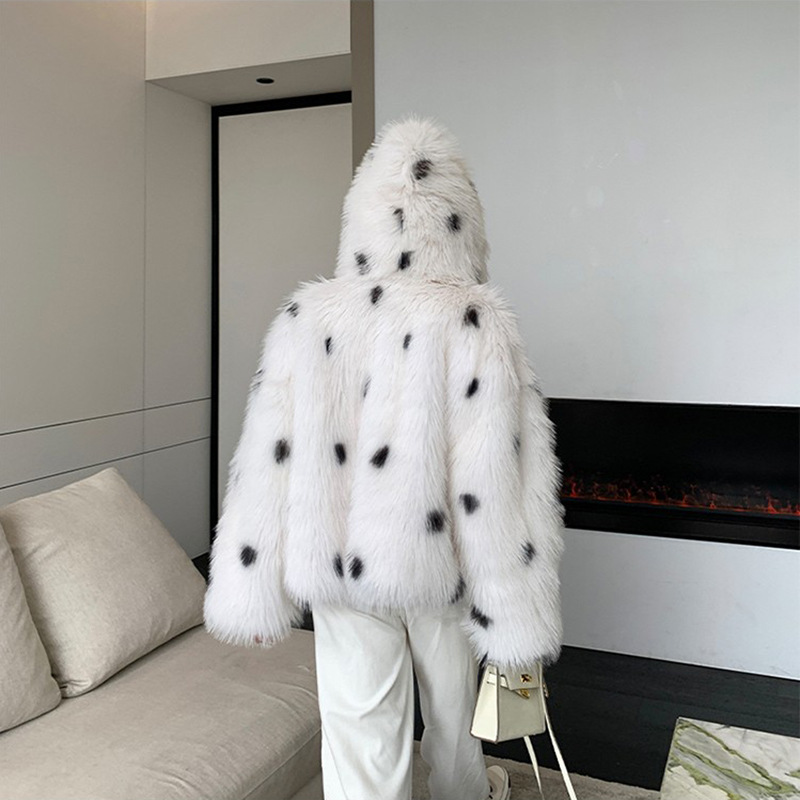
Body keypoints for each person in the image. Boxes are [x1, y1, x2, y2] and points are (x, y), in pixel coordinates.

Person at [204, 115, 566, 800]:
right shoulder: (474, 320)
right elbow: (499, 479)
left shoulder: (308, 319)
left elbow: (266, 459)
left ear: (359, 221)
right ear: (464, 224)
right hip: (440, 567)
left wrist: (250, 589)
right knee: (454, 720)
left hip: (337, 565)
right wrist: (515, 608)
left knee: (360, 734)